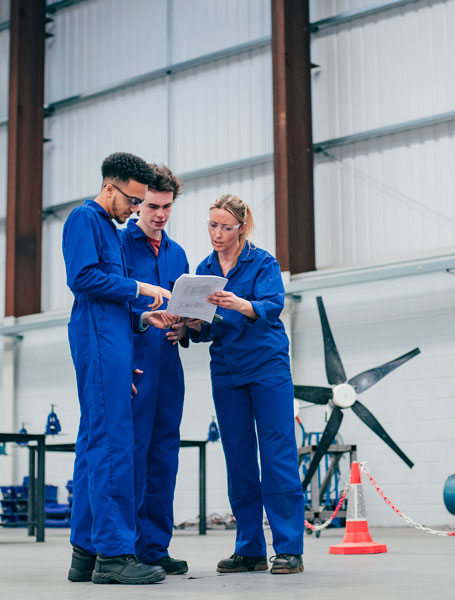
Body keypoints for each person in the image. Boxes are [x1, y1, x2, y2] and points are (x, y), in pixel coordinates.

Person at [63, 152, 178, 585]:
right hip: (96, 341)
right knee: (113, 443)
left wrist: (141, 317)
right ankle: (113, 555)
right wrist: (139, 286)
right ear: (111, 187)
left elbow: (109, 305)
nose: (135, 210)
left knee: (96, 444)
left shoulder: (108, 229)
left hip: (112, 338)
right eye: (132, 200)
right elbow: (84, 279)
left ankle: (85, 553)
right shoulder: (85, 219)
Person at [187, 193, 305, 575]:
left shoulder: (262, 262)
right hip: (226, 370)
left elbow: (272, 306)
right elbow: (206, 327)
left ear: (241, 227)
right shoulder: (203, 270)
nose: (217, 233)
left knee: (277, 453)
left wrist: (240, 303)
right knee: (238, 457)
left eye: (225, 227)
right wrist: (190, 325)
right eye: (212, 225)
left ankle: (288, 548)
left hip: (267, 367)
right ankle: (249, 547)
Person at [120, 164, 189, 575]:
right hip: (135, 359)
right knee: (133, 454)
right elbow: (112, 303)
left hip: (168, 361)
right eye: (152, 206)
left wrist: (184, 326)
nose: (159, 214)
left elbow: (182, 304)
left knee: (164, 454)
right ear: (137, 203)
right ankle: (123, 547)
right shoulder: (120, 245)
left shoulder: (178, 252)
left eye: (167, 207)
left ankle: (155, 547)